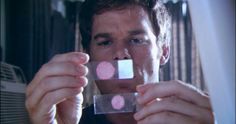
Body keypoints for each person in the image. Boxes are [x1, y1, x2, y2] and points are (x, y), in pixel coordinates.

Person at [25, 0, 214, 124]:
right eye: (105, 42)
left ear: (163, 52)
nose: (122, 55)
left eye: (136, 40)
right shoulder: (69, 121)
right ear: (88, 55)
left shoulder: (196, 117)